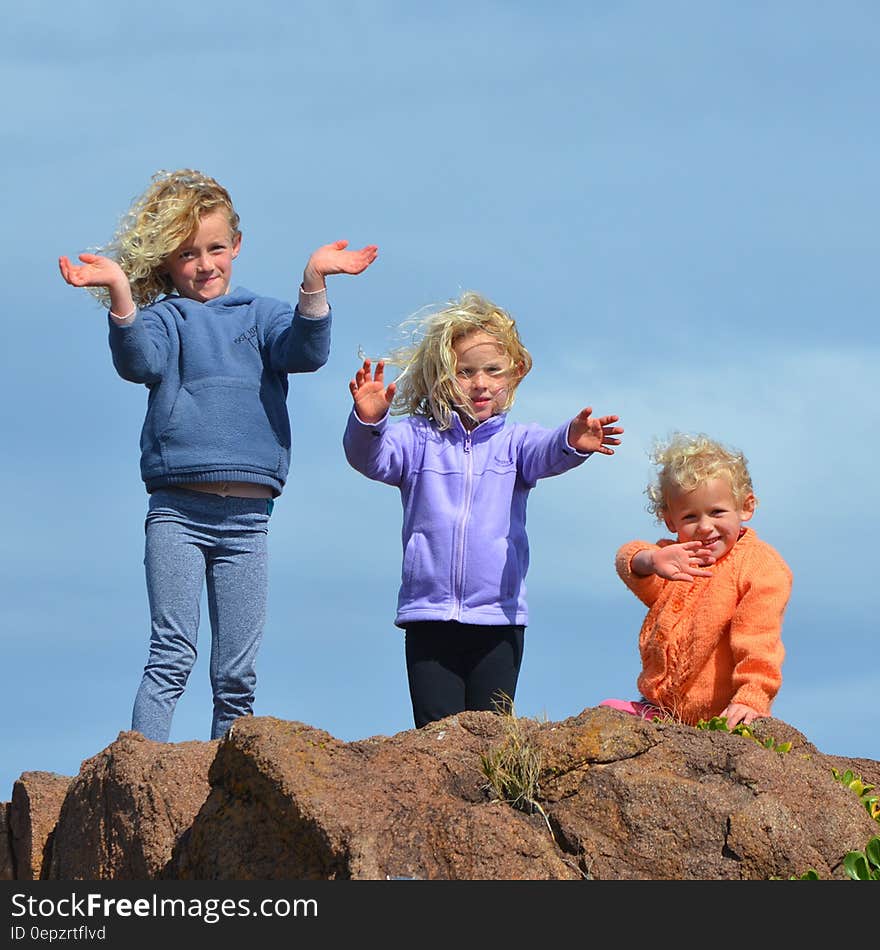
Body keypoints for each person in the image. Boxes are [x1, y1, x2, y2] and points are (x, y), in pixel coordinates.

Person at [59, 168, 378, 742]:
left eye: (215, 248)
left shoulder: (264, 314)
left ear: (236, 247)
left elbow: (305, 352)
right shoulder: (164, 319)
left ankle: (227, 796)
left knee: (236, 674)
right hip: (178, 513)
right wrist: (119, 294)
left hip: (248, 522)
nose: (205, 264)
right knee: (170, 655)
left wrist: (315, 281)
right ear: (166, 262)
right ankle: (142, 773)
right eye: (187, 254)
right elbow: (140, 363)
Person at [343, 291, 623, 728]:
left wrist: (571, 439)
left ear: (514, 374)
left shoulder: (516, 442)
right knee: (438, 737)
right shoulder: (417, 439)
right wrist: (368, 421)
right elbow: (370, 460)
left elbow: (548, 451)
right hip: (429, 616)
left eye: (493, 371)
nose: (480, 383)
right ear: (441, 377)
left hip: (499, 618)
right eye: (465, 372)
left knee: (492, 735)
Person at [600, 432, 792, 728]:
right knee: (608, 715)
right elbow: (629, 559)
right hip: (660, 707)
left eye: (717, 512)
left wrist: (751, 697)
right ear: (670, 520)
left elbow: (759, 640)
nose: (705, 527)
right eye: (690, 517)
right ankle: (655, 714)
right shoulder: (676, 557)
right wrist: (651, 561)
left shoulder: (759, 566)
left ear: (746, 506)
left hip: (723, 713)